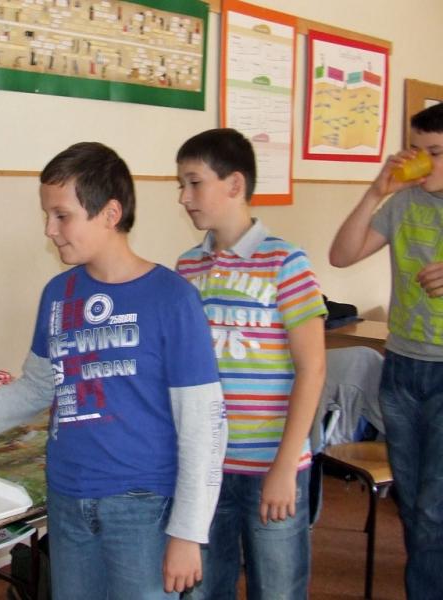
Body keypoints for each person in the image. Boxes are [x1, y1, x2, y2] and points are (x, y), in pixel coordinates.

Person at [0, 141, 227, 599]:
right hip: (67, 498)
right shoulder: (58, 294)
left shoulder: (172, 299)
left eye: (62, 215)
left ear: (110, 213)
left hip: (142, 507)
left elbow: (204, 423)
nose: (49, 229)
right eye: (47, 215)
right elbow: (40, 387)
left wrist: (187, 533)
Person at [175, 128, 327, 600]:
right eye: (180, 185)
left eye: (194, 183)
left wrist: (284, 467)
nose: (183, 197)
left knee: (277, 588)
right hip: (207, 467)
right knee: (204, 588)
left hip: (272, 465)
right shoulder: (187, 268)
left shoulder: (286, 262)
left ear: (235, 184)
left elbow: (313, 369)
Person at [329, 102, 443, 599]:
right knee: (415, 506)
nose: (422, 162)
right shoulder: (403, 204)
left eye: (435, 152)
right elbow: (341, 255)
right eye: (415, 150)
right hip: (401, 368)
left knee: (434, 509)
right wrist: (377, 191)